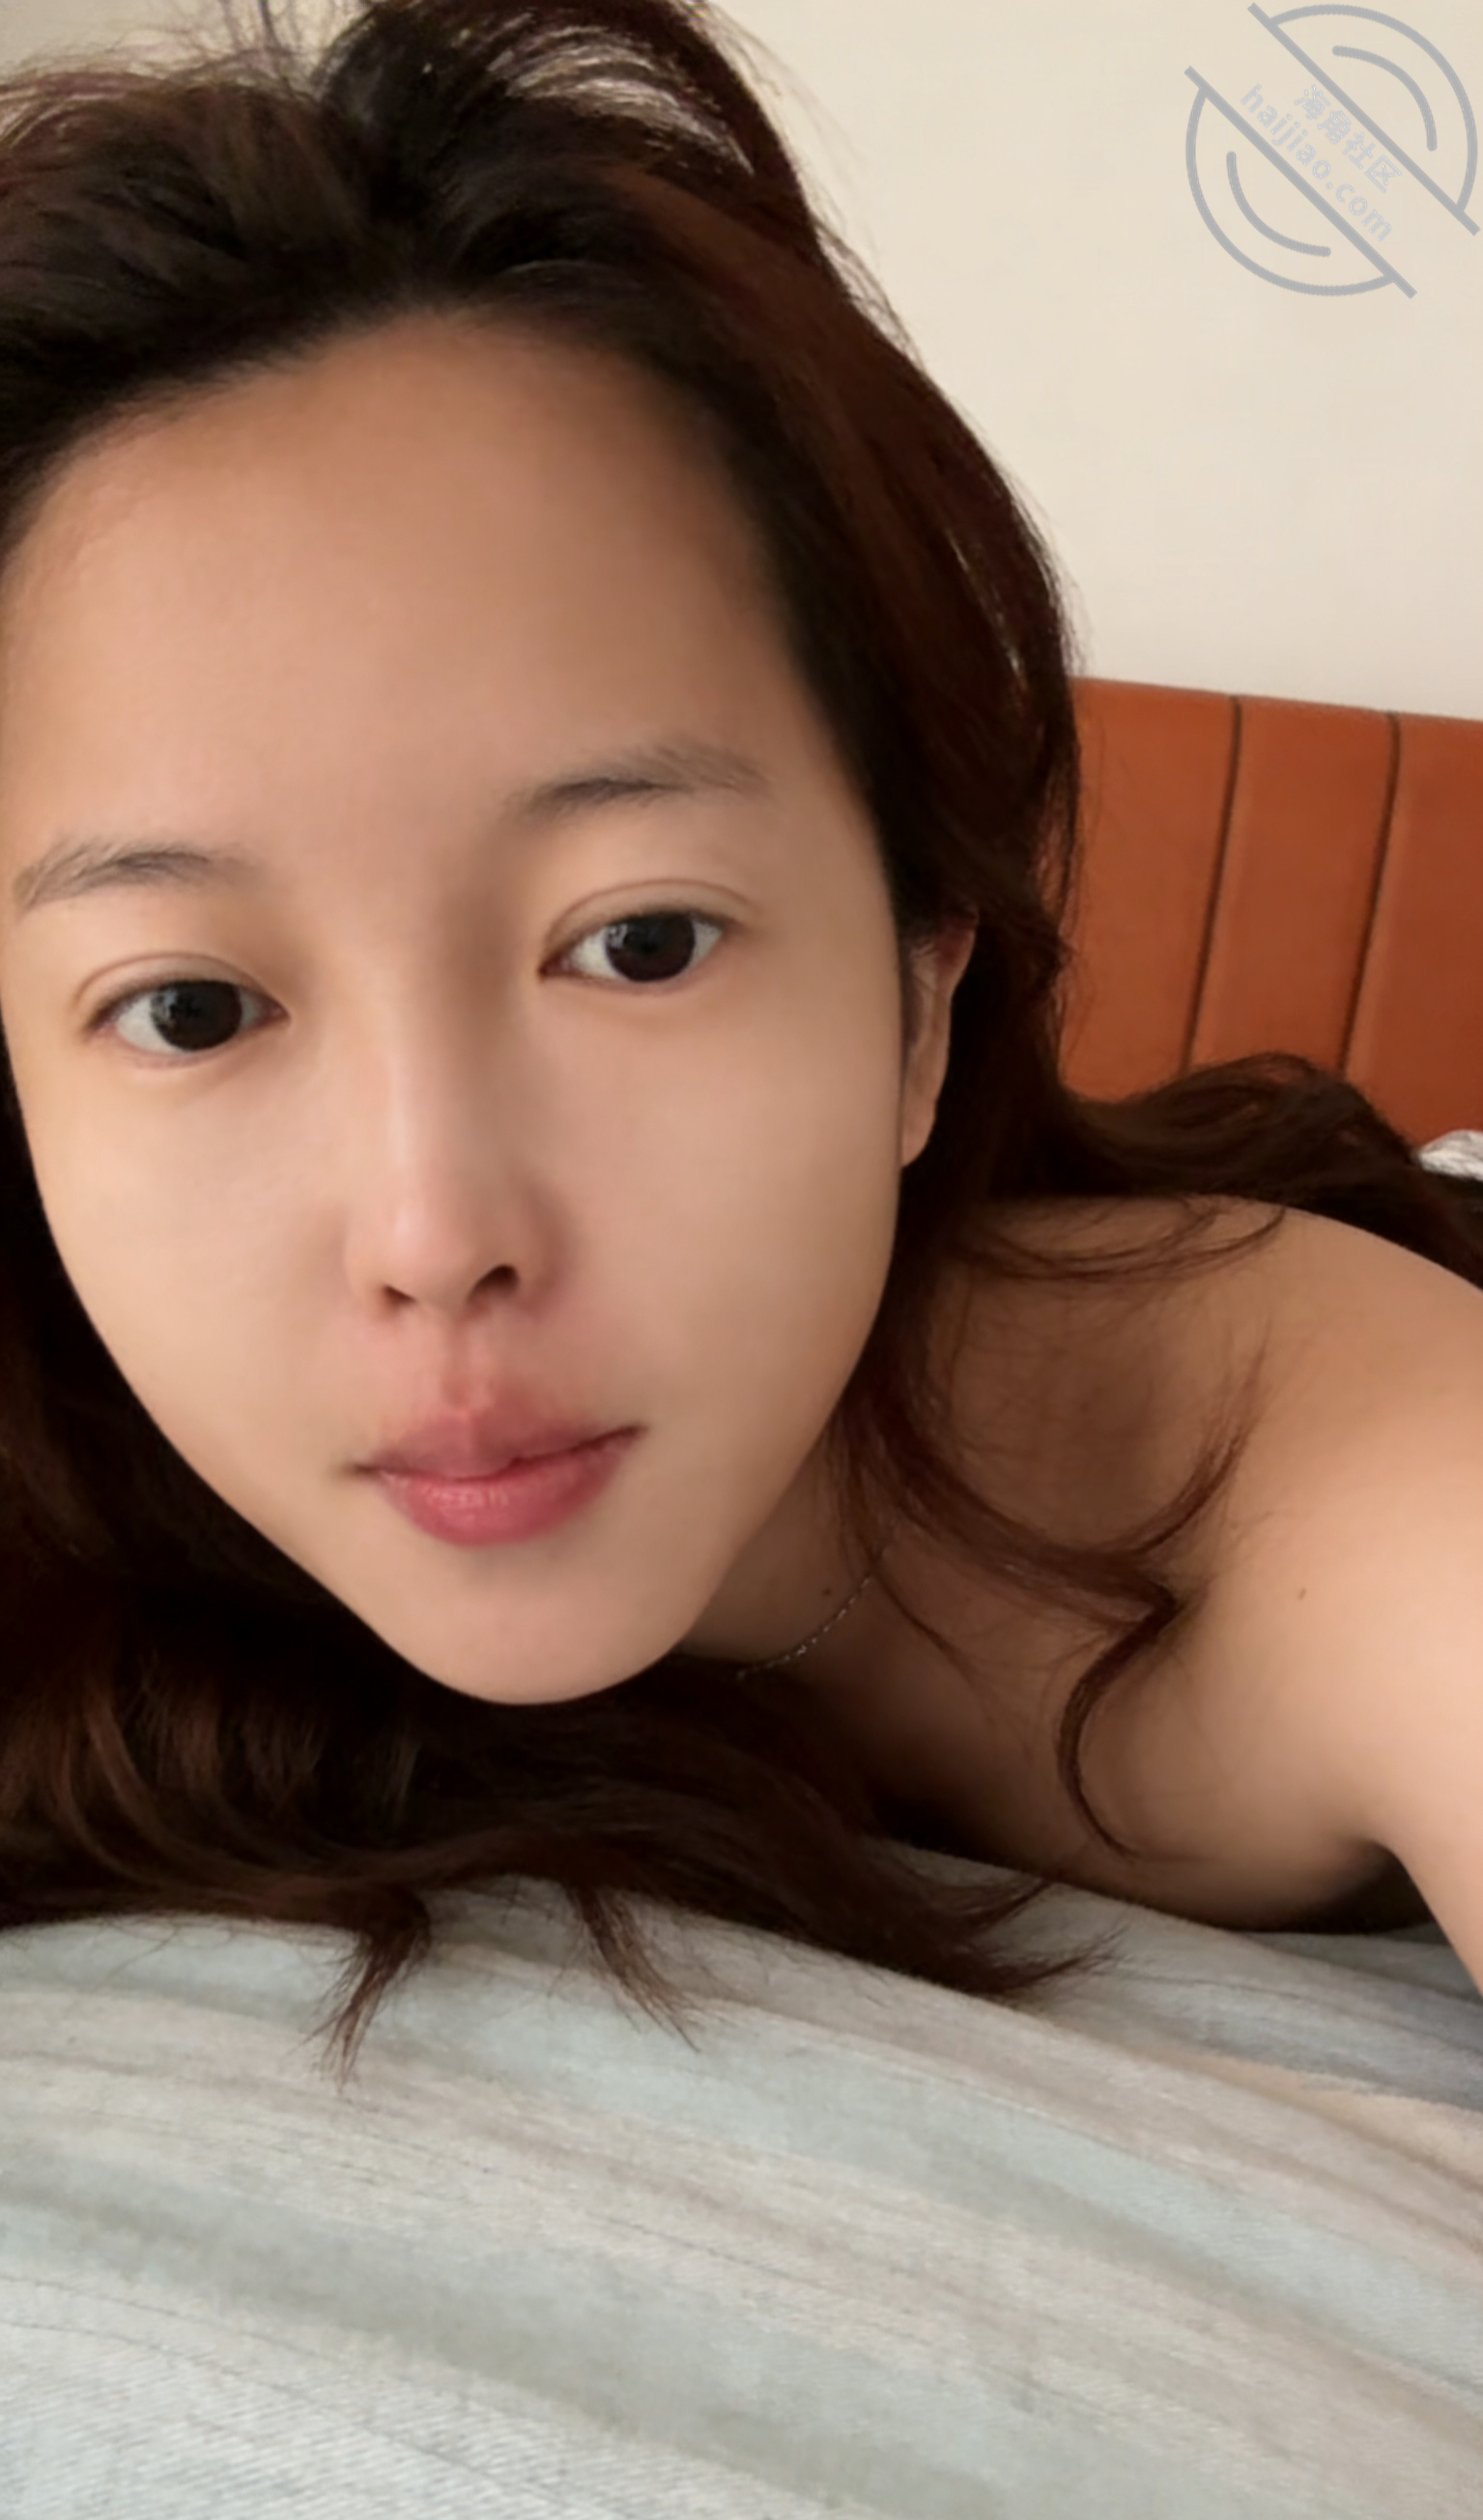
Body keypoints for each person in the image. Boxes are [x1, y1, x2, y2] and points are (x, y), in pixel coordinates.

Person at [0, 0, 1476, 2082]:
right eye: (190, 1007)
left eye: (639, 943)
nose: (434, 1232)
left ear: (919, 995)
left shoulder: (1304, 1475)